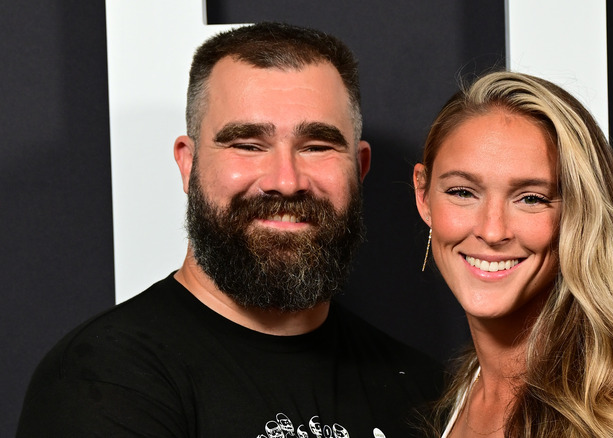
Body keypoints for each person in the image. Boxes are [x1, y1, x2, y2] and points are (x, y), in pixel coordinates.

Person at [17, 22, 442, 437]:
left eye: (316, 147)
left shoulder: (424, 392)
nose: (286, 180)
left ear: (359, 168)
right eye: (248, 145)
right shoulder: (104, 377)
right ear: (189, 164)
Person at [412, 71, 613, 437]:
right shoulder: (466, 392)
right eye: (462, 192)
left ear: (579, 214)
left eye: (531, 198)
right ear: (423, 196)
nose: (492, 230)